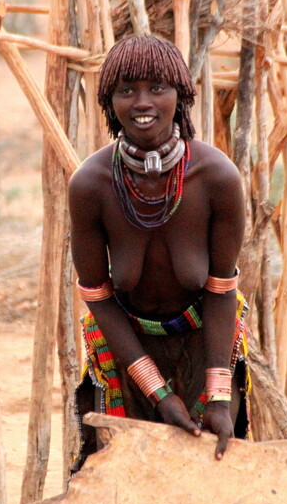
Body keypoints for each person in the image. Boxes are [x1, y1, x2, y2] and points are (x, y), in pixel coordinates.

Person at [68, 33, 251, 471]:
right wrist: (158, 392)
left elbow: (221, 290)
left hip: (206, 340)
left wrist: (219, 396)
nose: (142, 102)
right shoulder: (91, 185)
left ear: (181, 96)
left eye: (157, 88)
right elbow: (97, 295)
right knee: (115, 476)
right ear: (109, 101)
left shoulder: (217, 178)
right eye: (126, 91)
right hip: (124, 344)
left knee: (213, 473)